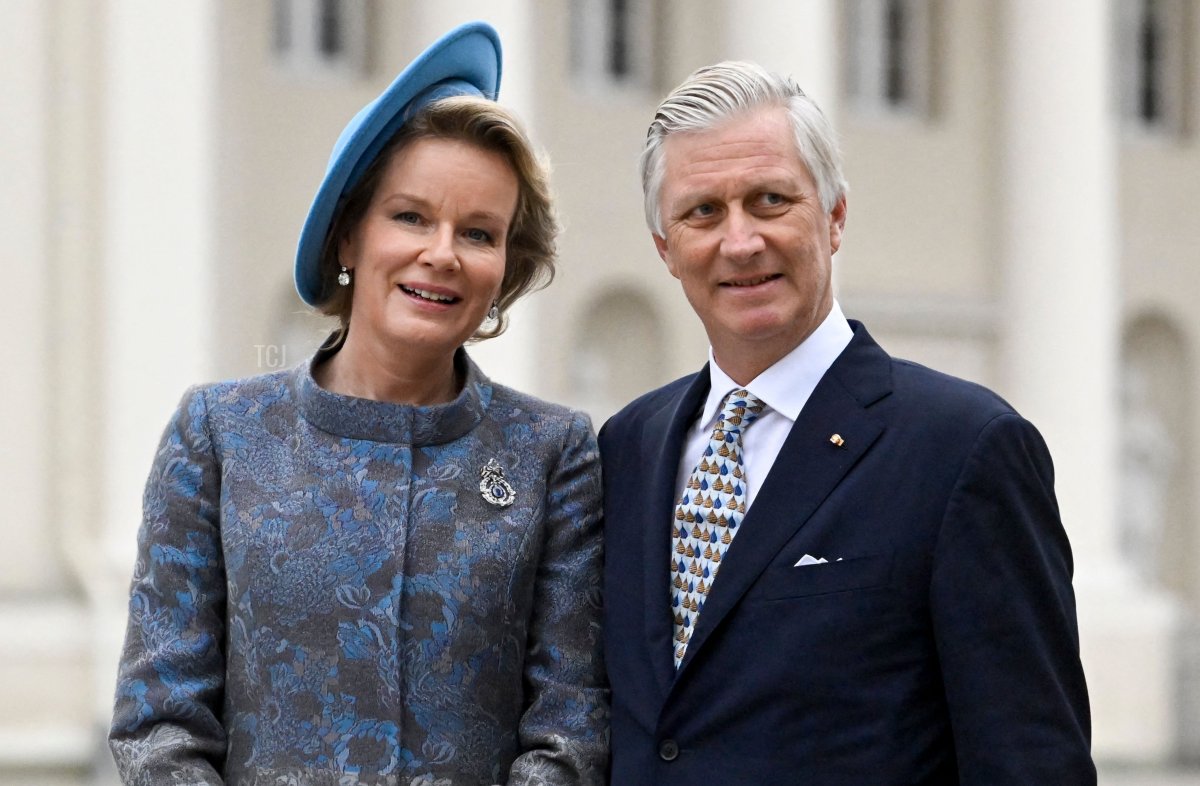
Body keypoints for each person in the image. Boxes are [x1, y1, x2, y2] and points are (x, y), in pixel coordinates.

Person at [109, 22, 607, 786]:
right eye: (410, 216)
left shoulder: (554, 453)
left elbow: (569, 728)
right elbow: (159, 721)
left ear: (505, 267)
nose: (441, 252)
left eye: (477, 232)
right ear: (348, 237)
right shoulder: (219, 434)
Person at [599, 61, 1095, 783]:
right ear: (665, 248)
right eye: (702, 212)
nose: (739, 242)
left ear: (834, 217)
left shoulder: (964, 449)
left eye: (771, 201)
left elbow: (1030, 762)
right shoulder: (626, 446)